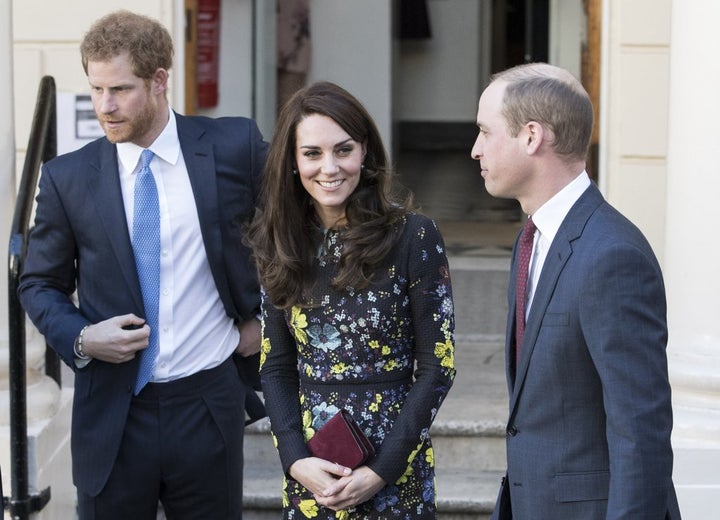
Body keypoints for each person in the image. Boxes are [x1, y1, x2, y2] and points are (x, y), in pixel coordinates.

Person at [18, 10, 267, 519]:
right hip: (112, 412)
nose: (104, 107)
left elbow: (293, 233)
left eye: (121, 90)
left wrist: (268, 319)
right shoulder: (68, 178)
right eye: (96, 89)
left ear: (159, 81)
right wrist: (83, 338)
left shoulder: (232, 147)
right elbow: (39, 283)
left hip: (207, 402)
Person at [471, 62, 681, 519]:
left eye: (486, 132)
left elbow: (640, 431)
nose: (475, 149)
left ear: (531, 137)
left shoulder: (612, 255)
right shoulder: (532, 239)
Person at [247, 81, 456, 519]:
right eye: (312, 153)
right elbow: (276, 365)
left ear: (365, 153)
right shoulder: (278, 242)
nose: (329, 167)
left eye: (343, 150)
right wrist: (294, 459)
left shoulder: (414, 236)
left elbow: (438, 364)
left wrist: (383, 469)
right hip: (314, 472)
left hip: (395, 468)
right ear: (292, 160)